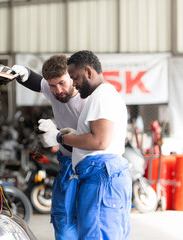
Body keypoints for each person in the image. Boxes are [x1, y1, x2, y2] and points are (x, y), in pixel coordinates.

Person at [57, 50, 132, 239]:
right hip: (103, 177)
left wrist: (60, 138)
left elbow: (99, 141)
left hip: (100, 179)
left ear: (89, 72)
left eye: (75, 77)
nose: (74, 83)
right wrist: (78, 135)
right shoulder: (106, 95)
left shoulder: (102, 95)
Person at [12, 55, 87, 240]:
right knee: (62, 220)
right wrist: (23, 73)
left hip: (88, 166)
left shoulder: (88, 101)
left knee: (88, 222)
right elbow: (37, 81)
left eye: (62, 83)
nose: (58, 90)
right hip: (66, 165)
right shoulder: (52, 88)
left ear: (72, 76)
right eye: (52, 86)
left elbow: (95, 141)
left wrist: (59, 135)